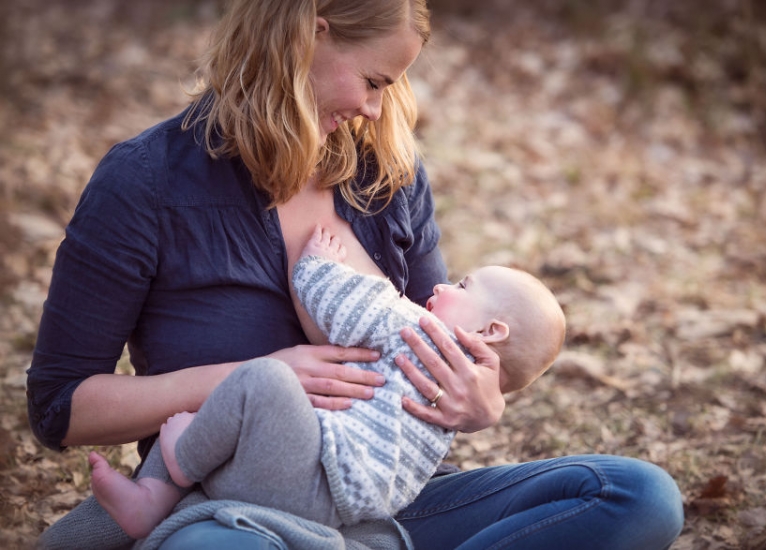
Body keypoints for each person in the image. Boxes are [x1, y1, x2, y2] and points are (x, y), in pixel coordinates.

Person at [28, 0, 684, 548]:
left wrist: (482, 403)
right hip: (235, 509)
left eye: (386, 88)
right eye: (372, 80)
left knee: (637, 496)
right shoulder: (146, 183)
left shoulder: (387, 177)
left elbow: (437, 334)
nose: (374, 108)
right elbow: (60, 407)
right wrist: (252, 378)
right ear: (308, 34)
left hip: (386, 504)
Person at [87, 224, 567, 541]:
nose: (441, 286)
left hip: (310, 478)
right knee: (211, 413)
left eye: (463, 287)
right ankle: (150, 502)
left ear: (491, 331)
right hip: (339, 508)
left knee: (261, 378)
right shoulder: (450, 395)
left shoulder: (423, 334)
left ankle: (178, 466)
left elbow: (353, 305)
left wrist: (319, 264)